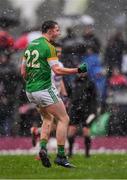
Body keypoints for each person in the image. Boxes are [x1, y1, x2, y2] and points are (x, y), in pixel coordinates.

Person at [21, 20, 79, 168]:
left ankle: (43, 148)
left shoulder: (30, 45)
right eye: (57, 30)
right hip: (44, 89)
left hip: (30, 90)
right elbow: (58, 71)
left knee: (47, 118)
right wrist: (77, 70)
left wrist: (34, 82)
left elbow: (23, 72)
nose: (59, 33)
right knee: (64, 119)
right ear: (49, 31)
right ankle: (60, 155)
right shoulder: (49, 47)